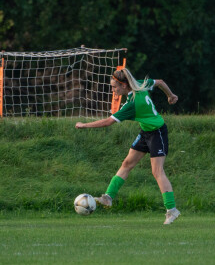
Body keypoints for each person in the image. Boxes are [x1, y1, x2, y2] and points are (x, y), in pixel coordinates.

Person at [75, 68, 180, 224]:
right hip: (146, 131)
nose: (113, 90)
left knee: (157, 171)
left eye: (114, 87)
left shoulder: (132, 105)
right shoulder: (138, 84)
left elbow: (107, 122)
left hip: (158, 133)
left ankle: (172, 210)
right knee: (127, 163)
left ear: (124, 85)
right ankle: (108, 198)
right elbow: (160, 82)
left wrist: (84, 125)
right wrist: (170, 95)